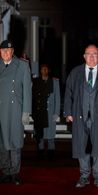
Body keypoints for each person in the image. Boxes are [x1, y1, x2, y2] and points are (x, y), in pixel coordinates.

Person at [63, 44, 98, 188]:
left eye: (95, 54)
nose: (92, 57)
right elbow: (68, 94)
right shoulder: (75, 73)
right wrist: (68, 112)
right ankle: (84, 176)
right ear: (84, 56)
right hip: (80, 117)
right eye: (89, 54)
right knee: (83, 147)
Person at [0, 40, 32, 185]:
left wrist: (26, 112)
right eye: (3, 50)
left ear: (13, 51)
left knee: (15, 142)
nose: (6, 53)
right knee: (2, 143)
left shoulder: (22, 65)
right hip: (0, 110)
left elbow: (27, 90)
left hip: (15, 110)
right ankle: (6, 171)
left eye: (9, 50)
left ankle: (15, 173)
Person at [32, 63, 60, 160]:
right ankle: (40, 153)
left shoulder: (54, 82)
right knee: (40, 135)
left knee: (51, 135)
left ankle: (51, 154)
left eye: (46, 69)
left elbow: (57, 98)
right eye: (42, 69)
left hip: (50, 113)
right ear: (40, 70)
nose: (44, 71)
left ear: (48, 70)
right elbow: (33, 98)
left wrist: (56, 113)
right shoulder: (36, 82)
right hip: (40, 112)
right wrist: (33, 112)